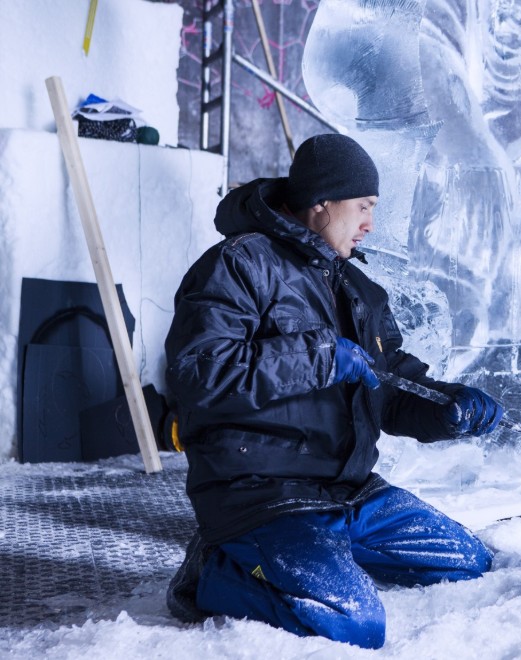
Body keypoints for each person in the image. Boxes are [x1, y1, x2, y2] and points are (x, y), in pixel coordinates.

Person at [163, 133, 503, 649]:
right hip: (263, 493)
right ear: (322, 203)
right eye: (363, 206)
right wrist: (316, 358)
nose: (370, 222)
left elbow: (387, 385)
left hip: (349, 490)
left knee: (469, 563)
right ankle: (212, 572)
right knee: (352, 622)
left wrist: (446, 408)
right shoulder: (239, 265)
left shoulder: (358, 289)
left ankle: (321, 554)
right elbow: (198, 374)